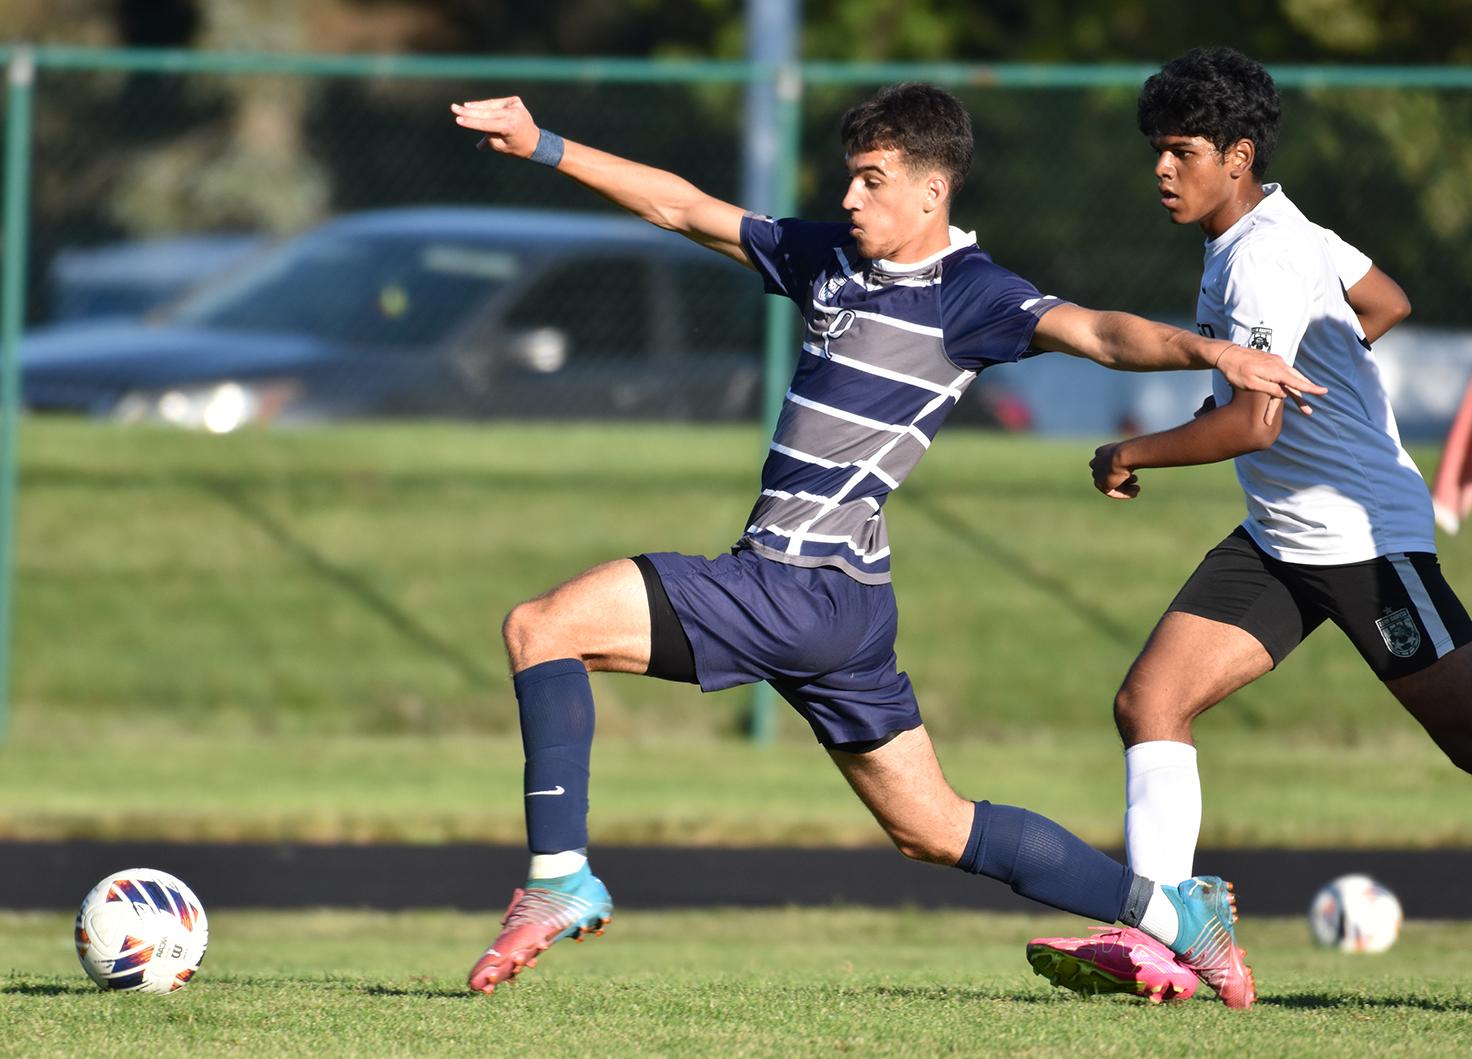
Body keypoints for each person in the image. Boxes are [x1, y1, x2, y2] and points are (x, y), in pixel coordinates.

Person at [449, 81, 1321, 1008]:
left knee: (542, 627)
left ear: (931, 192)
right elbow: (681, 206)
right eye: (850, 180)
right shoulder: (831, 258)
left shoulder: (970, 295)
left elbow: (1102, 333)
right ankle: (1176, 916)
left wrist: (1213, 353)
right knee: (936, 828)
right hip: (846, 606)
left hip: (795, 585)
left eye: (872, 180)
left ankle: (560, 876)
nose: (852, 199)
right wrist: (545, 144)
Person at [1027, 46, 1472, 1001]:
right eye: (1155, 150)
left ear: (1238, 154)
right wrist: (1322, 366)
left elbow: (1253, 421)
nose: (1162, 169)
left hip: (1366, 547)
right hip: (1282, 542)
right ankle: (1173, 937)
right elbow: (1385, 301)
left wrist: (1131, 452)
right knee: (1149, 704)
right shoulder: (1278, 230)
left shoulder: (1266, 261)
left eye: (1182, 151)